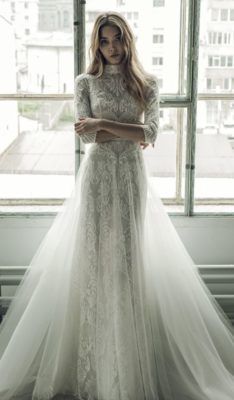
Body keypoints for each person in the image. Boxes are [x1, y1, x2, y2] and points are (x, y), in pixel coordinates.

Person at [0, 11, 234, 400]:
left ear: (128, 41)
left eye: (117, 40)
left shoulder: (148, 84)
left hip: (130, 179)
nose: (111, 48)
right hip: (96, 180)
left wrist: (102, 125)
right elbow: (87, 138)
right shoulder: (85, 82)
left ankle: (127, 361)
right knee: (92, 262)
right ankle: (95, 362)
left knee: (126, 263)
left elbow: (151, 132)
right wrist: (116, 131)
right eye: (105, 41)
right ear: (97, 43)